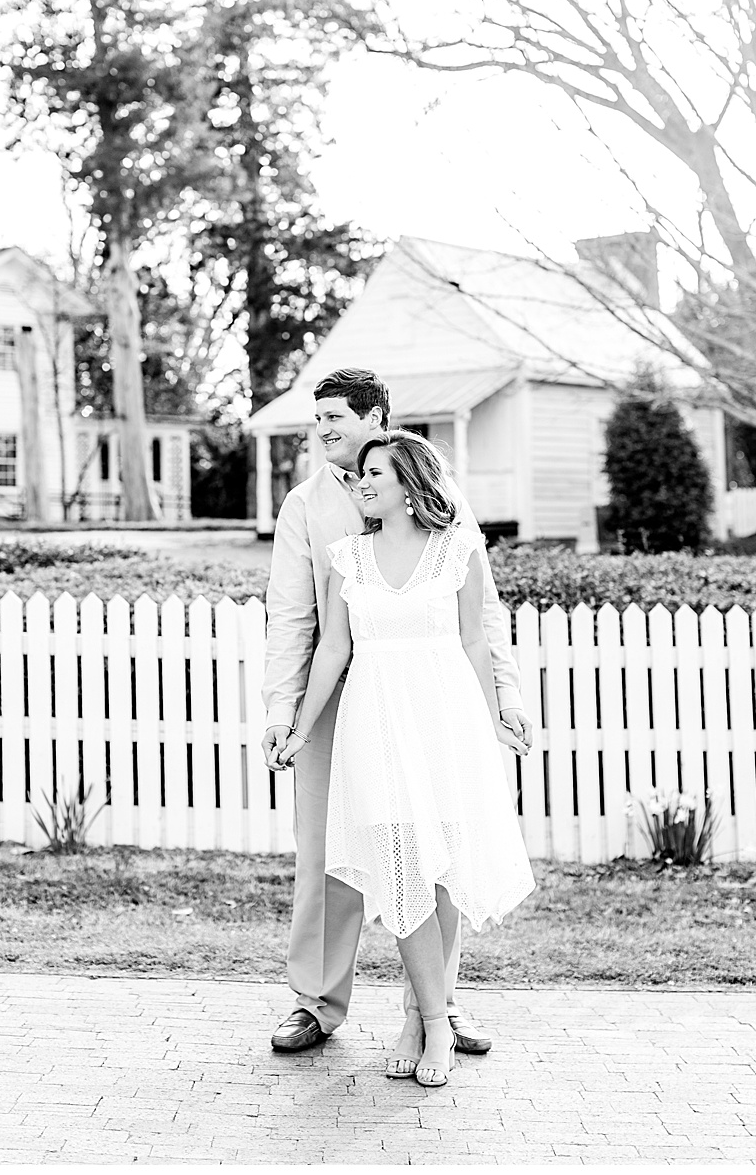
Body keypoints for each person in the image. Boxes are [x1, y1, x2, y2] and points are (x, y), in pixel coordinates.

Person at [258, 368, 532, 1073]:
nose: (324, 429)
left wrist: (503, 697)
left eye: (337, 417)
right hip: (338, 707)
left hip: (429, 702)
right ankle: (318, 1002)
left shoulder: (442, 492)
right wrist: (280, 712)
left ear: (378, 416)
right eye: (317, 418)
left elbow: (480, 612)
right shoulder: (304, 506)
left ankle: (431, 1007)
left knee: (437, 850)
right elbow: (292, 618)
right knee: (330, 857)